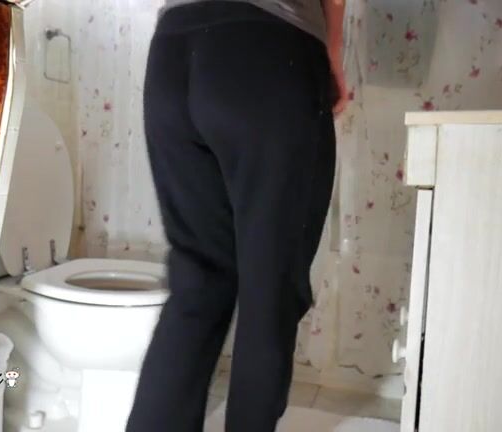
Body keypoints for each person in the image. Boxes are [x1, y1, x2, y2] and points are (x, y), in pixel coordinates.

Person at [127, 1, 346, 431]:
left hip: (174, 50)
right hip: (268, 47)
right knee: (270, 293)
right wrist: (333, 53)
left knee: (197, 287)